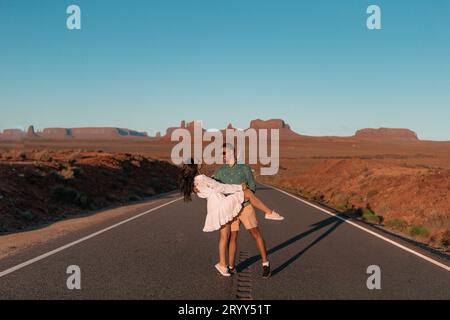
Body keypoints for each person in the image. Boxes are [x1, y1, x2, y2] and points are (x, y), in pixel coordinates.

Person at [179, 159, 282, 277]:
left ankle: (223, 264)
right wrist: (240, 187)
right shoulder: (201, 178)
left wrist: (210, 181)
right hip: (222, 205)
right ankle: (268, 212)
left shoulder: (193, 184)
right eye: (197, 161)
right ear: (194, 166)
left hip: (214, 207)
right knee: (246, 192)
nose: (200, 162)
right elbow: (221, 187)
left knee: (224, 237)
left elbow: (211, 187)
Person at [213, 143, 284, 278]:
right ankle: (231, 266)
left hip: (245, 206)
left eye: (224, 153)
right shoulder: (220, 171)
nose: (222, 156)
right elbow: (212, 183)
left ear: (231, 153)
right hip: (231, 209)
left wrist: (245, 194)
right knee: (232, 236)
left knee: (255, 233)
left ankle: (265, 263)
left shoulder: (244, 168)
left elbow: (252, 186)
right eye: (221, 154)